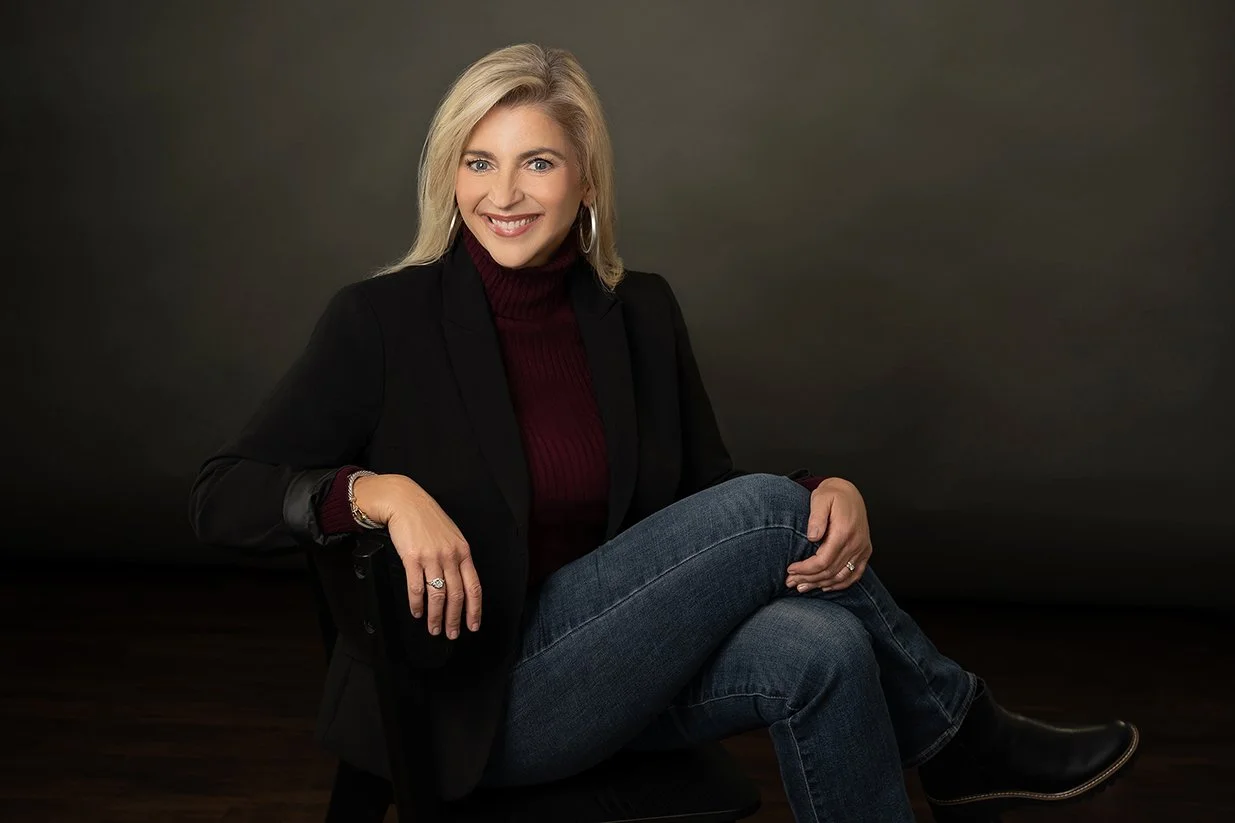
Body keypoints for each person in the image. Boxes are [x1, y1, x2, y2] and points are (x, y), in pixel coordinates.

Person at [189, 43, 1138, 823]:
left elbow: (702, 497)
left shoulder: (634, 312)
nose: (504, 193)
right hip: (470, 701)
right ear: (449, 176)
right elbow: (220, 494)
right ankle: (960, 736)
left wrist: (827, 493)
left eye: (538, 161)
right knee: (778, 515)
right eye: (478, 162)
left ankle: (954, 740)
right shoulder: (382, 319)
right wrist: (377, 492)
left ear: (586, 177)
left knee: (824, 647)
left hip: (618, 672)